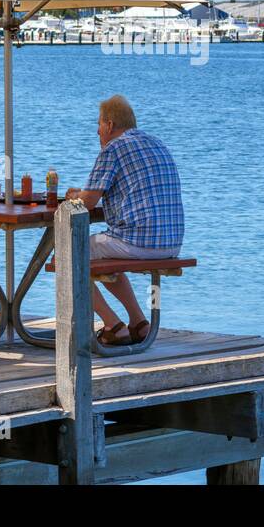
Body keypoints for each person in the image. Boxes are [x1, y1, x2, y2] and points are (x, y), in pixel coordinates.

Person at [65, 95, 183, 346]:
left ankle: (112, 325)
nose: (97, 131)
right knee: (102, 253)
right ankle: (139, 323)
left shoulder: (114, 148)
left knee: (69, 254)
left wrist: (74, 195)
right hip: (171, 243)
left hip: (139, 242)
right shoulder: (156, 142)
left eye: (98, 125)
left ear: (109, 125)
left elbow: (86, 204)